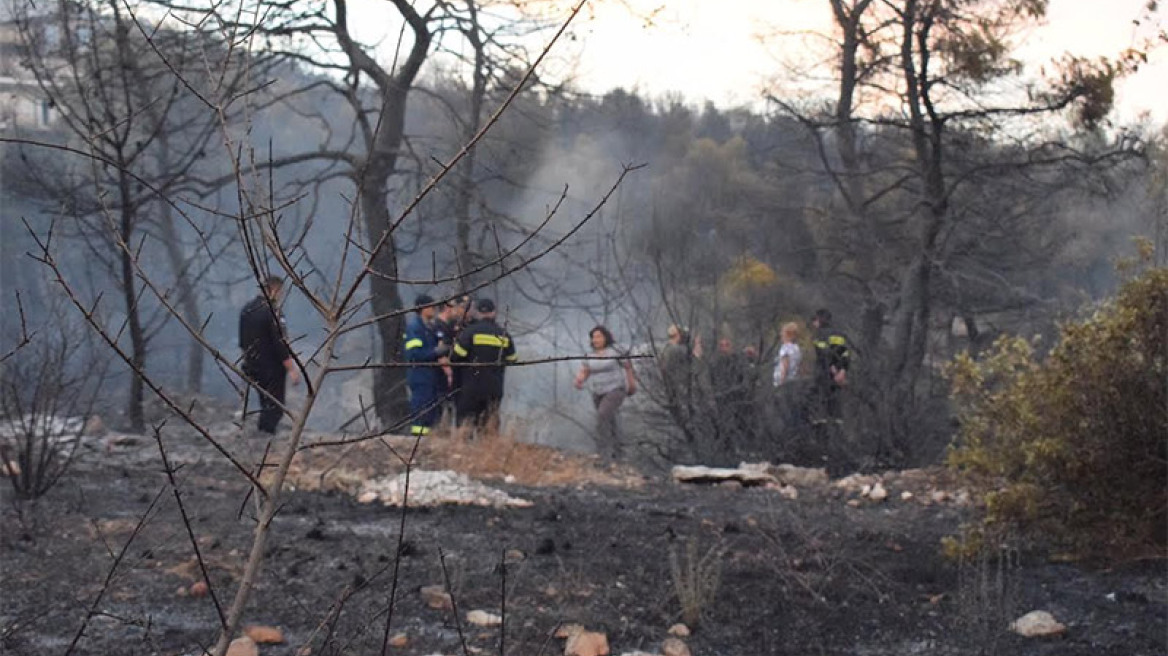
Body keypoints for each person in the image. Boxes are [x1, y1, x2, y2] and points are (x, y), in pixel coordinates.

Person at [239, 275, 300, 434]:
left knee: (264, 401)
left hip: (252, 364)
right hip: (272, 366)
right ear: (275, 289)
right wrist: (292, 369)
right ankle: (266, 435)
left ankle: (263, 431)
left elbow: (242, 340)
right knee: (275, 405)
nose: (281, 296)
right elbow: (280, 343)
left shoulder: (247, 309)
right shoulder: (273, 312)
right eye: (281, 292)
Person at [450, 298, 516, 432]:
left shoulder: (470, 332)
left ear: (478, 313)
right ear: (494, 313)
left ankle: (463, 451)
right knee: (488, 425)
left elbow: (456, 356)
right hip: (494, 387)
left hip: (471, 386)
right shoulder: (504, 335)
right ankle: (487, 450)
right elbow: (513, 358)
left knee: (465, 424)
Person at [574, 325, 637, 462]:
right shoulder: (590, 356)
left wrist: (631, 384)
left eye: (599, 336)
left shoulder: (615, 351)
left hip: (615, 389)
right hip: (598, 392)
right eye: (593, 337)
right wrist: (579, 380)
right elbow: (585, 371)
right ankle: (619, 453)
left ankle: (602, 451)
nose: (596, 340)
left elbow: (628, 367)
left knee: (602, 415)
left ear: (606, 337)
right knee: (611, 420)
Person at [403, 294, 448, 436]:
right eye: (432, 306)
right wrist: (436, 352)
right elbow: (414, 355)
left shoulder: (429, 327)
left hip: (430, 375)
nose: (434, 309)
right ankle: (418, 437)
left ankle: (427, 436)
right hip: (420, 374)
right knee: (421, 406)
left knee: (431, 408)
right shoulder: (414, 328)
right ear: (423, 308)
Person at [809, 309, 851, 424]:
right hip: (838, 375)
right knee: (836, 405)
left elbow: (824, 354)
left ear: (819, 320)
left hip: (824, 374)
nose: (814, 323)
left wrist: (833, 370)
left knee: (821, 401)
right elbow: (845, 353)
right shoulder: (839, 334)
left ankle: (820, 420)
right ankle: (837, 421)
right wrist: (842, 371)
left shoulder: (820, 335)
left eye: (815, 320)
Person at [432, 295, 470, 419]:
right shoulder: (438, 326)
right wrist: (449, 373)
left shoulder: (452, 325)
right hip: (441, 375)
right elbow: (441, 352)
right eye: (461, 307)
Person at [773, 322, 802, 386]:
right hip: (793, 381)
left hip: (783, 383)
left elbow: (785, 366)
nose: (781, 334)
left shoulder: (785, 348)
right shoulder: (796, 348)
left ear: (788, 334)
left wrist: (781, 382)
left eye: (782, 332)